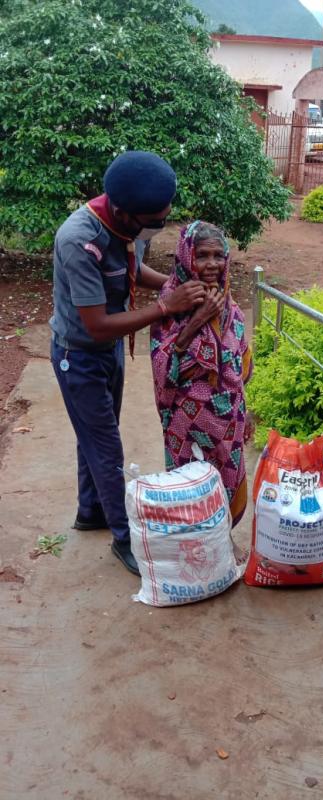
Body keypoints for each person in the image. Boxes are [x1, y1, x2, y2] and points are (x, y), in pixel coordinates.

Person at [50, 151, 206, 574]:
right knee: (106, 448)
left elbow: (134, 269)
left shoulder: (129, 222)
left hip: (109, 350)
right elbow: (98, 324)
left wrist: (175, 287)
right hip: (79, 356)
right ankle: (125, 538)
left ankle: (91, 511)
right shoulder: (79, 241)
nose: (157, 227)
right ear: (121, 212)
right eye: (153, 222)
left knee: (95, 435)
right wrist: (166, 307)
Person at [150, 220, 253, 529]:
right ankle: (196, 548)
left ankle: (222, 541)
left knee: (227, 486)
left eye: (218, 255)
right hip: (186, 425)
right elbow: (163, 371)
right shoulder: (171, 303)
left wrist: (244, 408)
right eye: (202, 255)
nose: (212, 264)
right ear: (186, 257)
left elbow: (238, 365)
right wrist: (198, 320)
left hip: (228, 422)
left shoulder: (229, 305)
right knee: (191, 495)